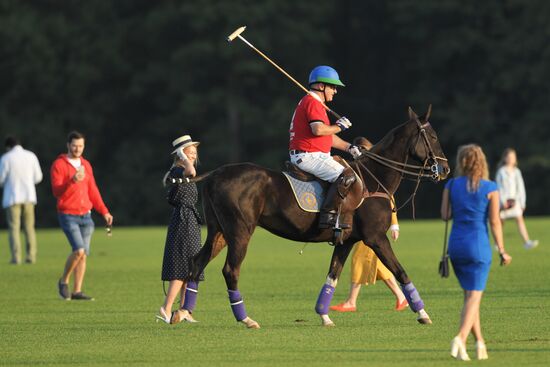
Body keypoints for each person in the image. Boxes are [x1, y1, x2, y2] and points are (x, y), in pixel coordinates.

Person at [441, 144, 512, 361]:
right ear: (482, 162)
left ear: (461, 162)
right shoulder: (490, 187)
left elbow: (445, 215)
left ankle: (480, 343)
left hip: (456, 246)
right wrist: (502, 249)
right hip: (479, 246)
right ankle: (460, 338)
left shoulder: (451, 185)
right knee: (474, 296)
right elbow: (494, 221)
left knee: (470, 297)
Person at [330, 138, 408, 313]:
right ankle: (401, 297)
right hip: (361, 224)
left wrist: (394, 225)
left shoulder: (374, 175)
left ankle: (352, 301)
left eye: (364, 150)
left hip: (373, 225)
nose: (361, 153)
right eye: (359, 150)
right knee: (380, 263)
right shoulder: (360, 174)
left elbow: (389, 199)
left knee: (360, 259)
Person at [289, 65, 362, 229]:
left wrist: (349, 147)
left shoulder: (314, 102)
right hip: (308, 155)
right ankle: (328, 216)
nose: (335, 91)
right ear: (321, 86)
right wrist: (339, 126)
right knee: (347, 176)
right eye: (333, 87)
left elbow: (326, 136)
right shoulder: (313, 102)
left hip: (312, 154)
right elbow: (319, 129)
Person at [51, 131, 113, 301]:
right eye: (74, 145)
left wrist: (104, 211)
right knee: (78, 250)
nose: (77, 149)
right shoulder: (59, 165)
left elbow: (92, 190)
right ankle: (63, 281)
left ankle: (77, 291)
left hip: (86, 215)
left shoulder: (86, 164)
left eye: (80, 146)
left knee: (83, 254)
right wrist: (72, 179)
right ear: (68, 145)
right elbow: (56, 191)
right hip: (68, 214)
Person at [157, 135, 204, 324]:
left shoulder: (182, 169)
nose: (193, 156)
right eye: (189, 152)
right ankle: (166, 308)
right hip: (183, 221)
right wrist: (184, 160)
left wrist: (186, 157)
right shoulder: (179, 170)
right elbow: (191, 172)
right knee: (180, 269)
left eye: (194, 153)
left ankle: (185, 310)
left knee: (191, 268)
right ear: (179, 155)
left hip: (190, 221)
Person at [0, 136, 43, 264]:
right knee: (29, 228)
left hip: (12, 197)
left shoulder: (6, 158)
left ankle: (16, 257)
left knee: (14, 228)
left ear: (8, 147)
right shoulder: (31, 156)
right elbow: (38, 177)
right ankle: (31, 256)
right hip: (29, 197)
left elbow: (1, 179)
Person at [495, 148, 538, 250]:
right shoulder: (501, 172)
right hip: (504, 202)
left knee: (520, 219)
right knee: (500, 222)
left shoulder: (517, 172)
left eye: (513, 157)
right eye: (509, 157)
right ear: (505, 158)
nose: (511, 159)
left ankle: (526, 242)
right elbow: (498, 187)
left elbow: (520, 188)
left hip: (515, 202)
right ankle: (498, 243)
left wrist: (522, 203)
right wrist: (502, 202)